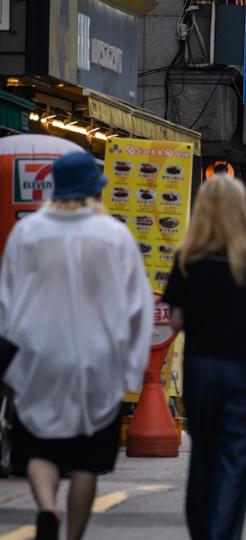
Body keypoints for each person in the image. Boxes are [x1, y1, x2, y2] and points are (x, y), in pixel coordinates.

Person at [0, 152, 152, 540]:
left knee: (38, 446)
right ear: (96, 191)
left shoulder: (28, 232)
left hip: (38, 354)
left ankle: (47, 509)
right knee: (87, 461)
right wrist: (133, 365)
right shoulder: (114, 235)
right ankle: (72, 536)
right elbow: (138, 305)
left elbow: (7, 298)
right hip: (98, 357)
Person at [161, 175, 246, 540]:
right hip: (243, 366)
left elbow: (175, 320)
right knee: (234, 454)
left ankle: (201, 531)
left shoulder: (188, 256)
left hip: (200, 366)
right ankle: (224, 533)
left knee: (203, 453)